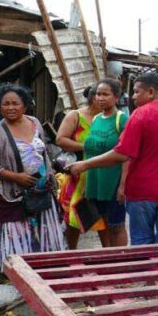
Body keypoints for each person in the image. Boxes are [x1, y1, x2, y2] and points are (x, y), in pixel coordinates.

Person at [68, 73, 158, 245]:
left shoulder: (140, 115)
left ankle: (146, 271)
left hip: (142, 194)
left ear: (151, 92)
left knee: (142, 248)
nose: (132, 96)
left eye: (136, 91)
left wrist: (85, 164)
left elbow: (122, 153)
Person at [0, 84, 66, 269]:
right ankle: (19, 272)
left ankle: (46, 268)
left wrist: (49, 177)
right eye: (5, 104)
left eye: (15, 103)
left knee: (45, 229)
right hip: (12, 194)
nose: (10, 108)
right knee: (17, 233)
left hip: (41, 190)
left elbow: (43, 151)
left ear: (25, 105)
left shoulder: (34, 123)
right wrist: (16, 177)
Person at [55, 85, 105, 249]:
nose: (104, 101)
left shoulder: (110, 118)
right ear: (92, 99)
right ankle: (71, 257)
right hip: (79, 176)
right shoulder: (75, 116)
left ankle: (110, 259)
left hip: (104, 175)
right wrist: (86, 146)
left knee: (104, 220)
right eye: (100, 96)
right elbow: (60, 140)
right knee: (74, 219)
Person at [83, 78, 129, 247]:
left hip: (113, 182)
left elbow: (127, 154)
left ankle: (121, 262)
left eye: (105, 94)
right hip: (95, 181)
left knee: (116, 226)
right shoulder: (96, 119)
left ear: (116, 97)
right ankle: (108, 260)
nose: (100, 98)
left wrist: (123, 185)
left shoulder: (121, 119)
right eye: (97, 94)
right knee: (102, 226)